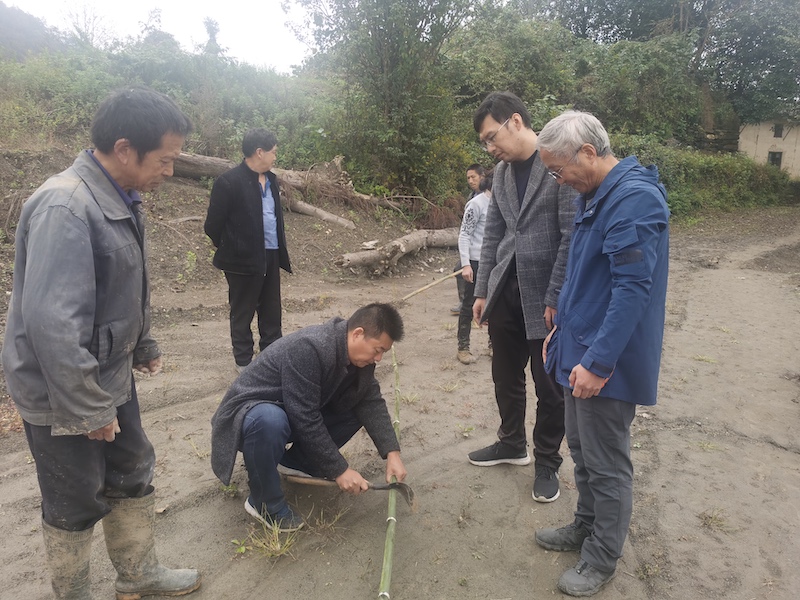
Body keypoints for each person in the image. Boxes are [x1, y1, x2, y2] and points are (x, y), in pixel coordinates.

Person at [1, 88, 200, 599]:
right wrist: (89, 408)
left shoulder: (119, 196)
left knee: (132, 469)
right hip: (62, 390)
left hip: (106, 374)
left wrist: (143, 342)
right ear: (125, 149)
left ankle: (138, 574)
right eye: (165, 160)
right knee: (74, 497)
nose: (170, 171)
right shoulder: (66, 207)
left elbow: (122, 286)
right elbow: (52, 324)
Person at [533, 110, 669, 596]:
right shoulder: (595, 195)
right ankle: (585, 526)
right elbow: (585, 275)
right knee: (583, 452)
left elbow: (632, 290)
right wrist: (562, 329)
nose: (559, 181)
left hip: (604, 363)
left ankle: (601, 557)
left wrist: (598, 362)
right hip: (579, 348)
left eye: (558, 170)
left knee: (607, 462)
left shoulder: (633, 200)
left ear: (588, 153)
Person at [210, 303, 408, 532]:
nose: (379, 358)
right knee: (270, 420)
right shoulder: (311, 347)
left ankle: (294, 463)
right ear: (357, 334)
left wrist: (392, 453)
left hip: (291, 410)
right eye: (377, 350)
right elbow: (304, 416)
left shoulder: (358, 358)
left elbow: (370, 400)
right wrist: (339, 470)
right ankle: (264, 504)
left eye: (383, 352)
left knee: (354, 405)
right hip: (249, 415)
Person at [468, 91, 577, 504]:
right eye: (485, 142)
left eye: (492, 137)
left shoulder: (556, 163)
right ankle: (511, 442)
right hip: (505, 291)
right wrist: (483, 290)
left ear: (515, 122)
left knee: (549, 386)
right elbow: (493, 234)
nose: (490, 148)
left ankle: (547, 461)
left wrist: (556, 295)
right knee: (505, 375)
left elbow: (570, 236)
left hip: (545, 296)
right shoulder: (500, 174)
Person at [204, 128, 292, 372]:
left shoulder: (271, 180)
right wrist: (235, 247)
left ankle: (272, 358)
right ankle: (243, 363)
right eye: (273, 152)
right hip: (241, 260)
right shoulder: (228, 182)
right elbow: (212, 226)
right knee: (242, 312)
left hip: (271, 253)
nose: (275, 157)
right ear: (259, 152)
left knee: (271, 310)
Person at [456, 173, 492, 364]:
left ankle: (494, 344)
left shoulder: (503, 203)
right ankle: (463, 347)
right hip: (476, 261)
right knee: (469, 305)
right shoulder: (476, 204)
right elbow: (465, 234)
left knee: (496, 304)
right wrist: (466, 264)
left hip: (495, 262)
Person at [451, 163, 486, 315]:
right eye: (468, 178)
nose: (471, 181)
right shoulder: (472, 197)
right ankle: (464, 301)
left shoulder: (489, 196)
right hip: (471, 246)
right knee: (459, 269)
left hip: (484, 249)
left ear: (482, 177)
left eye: (473, 177)